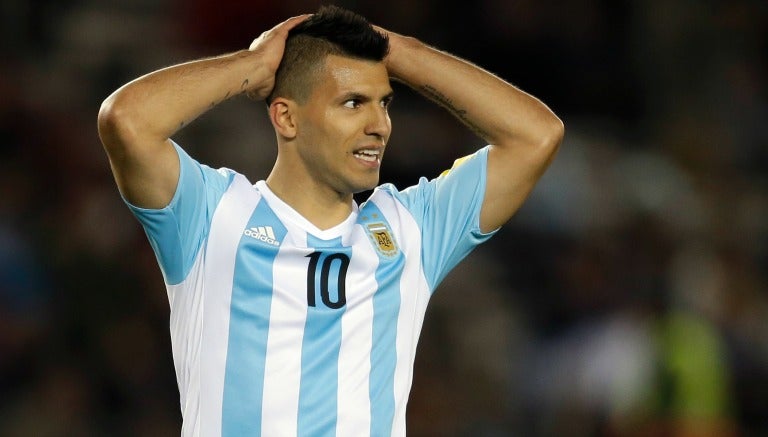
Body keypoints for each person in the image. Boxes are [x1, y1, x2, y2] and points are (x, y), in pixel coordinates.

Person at [97, 5, 563, 436]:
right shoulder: (212, 215)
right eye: (353, 103)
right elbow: (126, 121)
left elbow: (537, 136)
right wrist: (253, 65)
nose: (379, 125)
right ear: (286, 118)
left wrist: (401, 52)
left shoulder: (409, 230)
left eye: (385, 103)